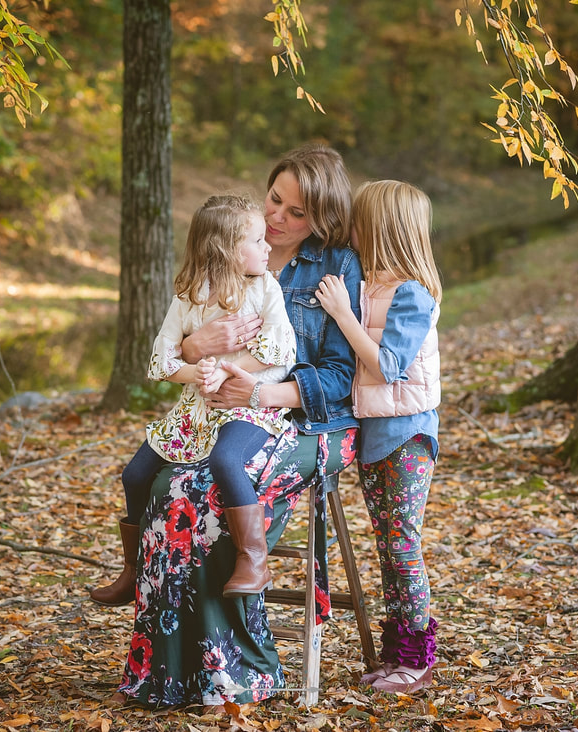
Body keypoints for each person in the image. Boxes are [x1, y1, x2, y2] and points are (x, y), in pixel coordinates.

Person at [110, 144, 365, 708]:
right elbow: (176, 344)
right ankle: (165, 671)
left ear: (320, 220)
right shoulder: (229, 244)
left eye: (296, 214)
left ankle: (235, 671)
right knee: (163, 485)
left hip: (307, 422)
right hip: (218, 413)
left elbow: (342, 375)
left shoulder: (337, 267)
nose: (277, 219)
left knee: (200, 494)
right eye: (275, 200)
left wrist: (262, 389)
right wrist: (192, 347)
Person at [90, 194, 296, 606]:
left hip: (247, 402)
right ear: (227, 250)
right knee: (134, 475)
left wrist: (225, 371)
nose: (268, 246)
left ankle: (253, 559)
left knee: (225, 460)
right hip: (197, 407)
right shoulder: (189, 296)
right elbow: (161, 358)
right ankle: (132, 570)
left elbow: (280, 347)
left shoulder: (265, 288)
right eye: (258, 240)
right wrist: (197, 371)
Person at [314, 180, 441, 695]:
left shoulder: (413, 293)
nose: (351, 231)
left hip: (407, 434)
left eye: (359, 222)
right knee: (387, 544)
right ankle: (396, 653)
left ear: (383, 228)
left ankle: (417, 654)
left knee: (403, 542)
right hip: (373, 432)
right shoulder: (369, 282)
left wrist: (343, 315)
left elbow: (389, 367)